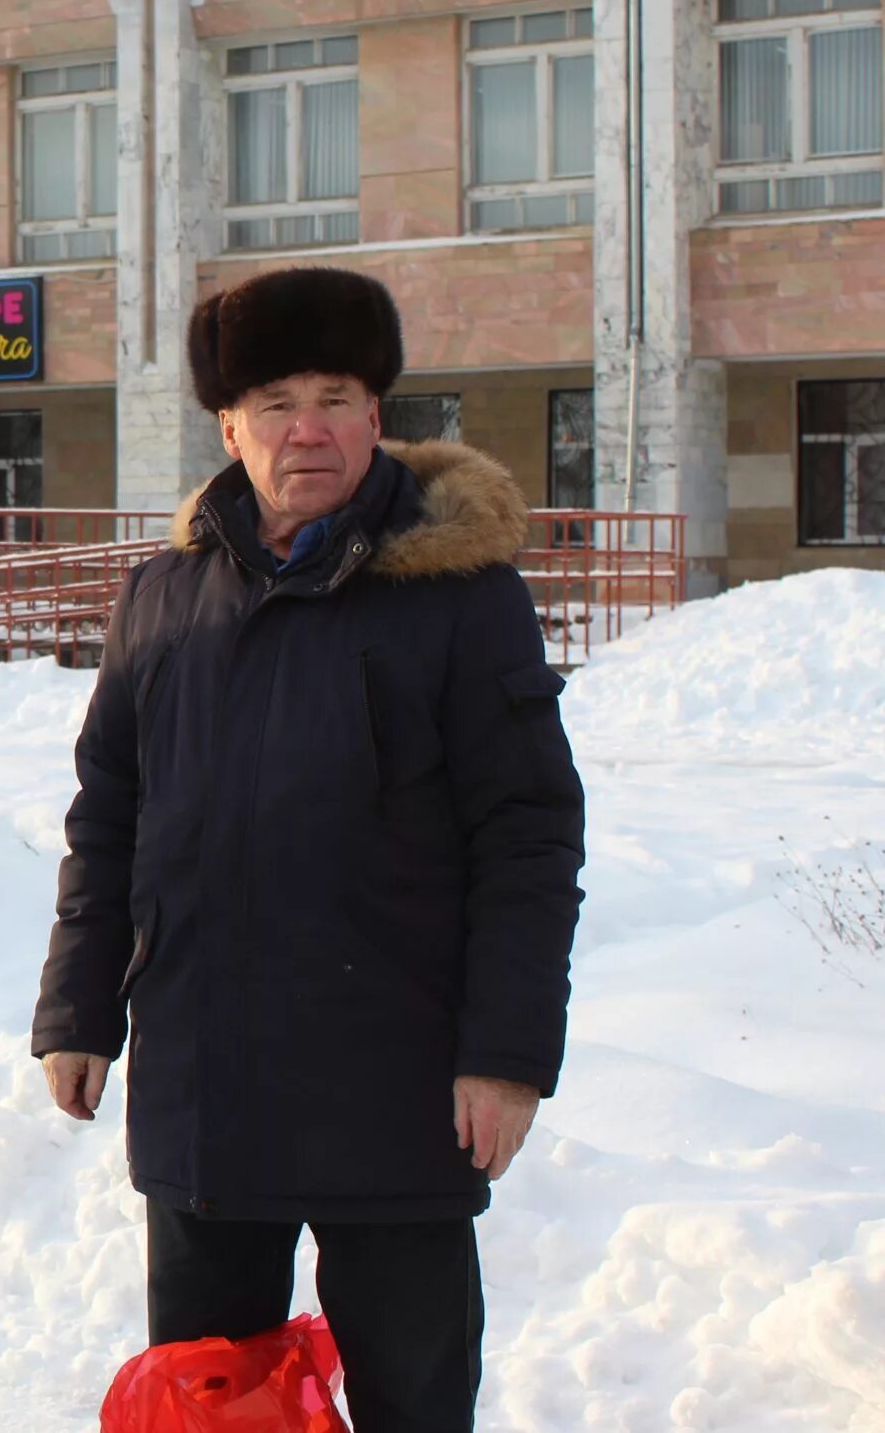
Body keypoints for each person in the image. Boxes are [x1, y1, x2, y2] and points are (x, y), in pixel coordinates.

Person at [30, 268, 586, 1431]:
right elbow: (108, 815)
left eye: (336, 395)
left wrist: (507, 1053)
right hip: (207, 1082)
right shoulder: (164, 598)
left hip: (397, 1084)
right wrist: (79, 1009)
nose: (309, 427)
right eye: (275, 401)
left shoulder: (461, 596)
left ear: (378, 416)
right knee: (208, 1400)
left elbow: (527, 835)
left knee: (412, 1402)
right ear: (228, 428)